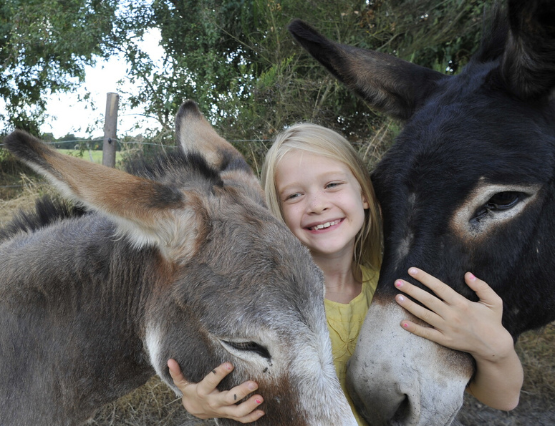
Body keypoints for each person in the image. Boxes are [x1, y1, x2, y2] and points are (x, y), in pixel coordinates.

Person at [167, 124, 523, 424]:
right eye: (293, 195)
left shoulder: (403, 292)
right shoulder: (266, 313)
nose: (317, 204)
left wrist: (495, 347)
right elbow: (225, 391)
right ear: (275, 211)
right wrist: (198, 404)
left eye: (333, 185)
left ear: (364, 195)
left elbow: (503, 397)